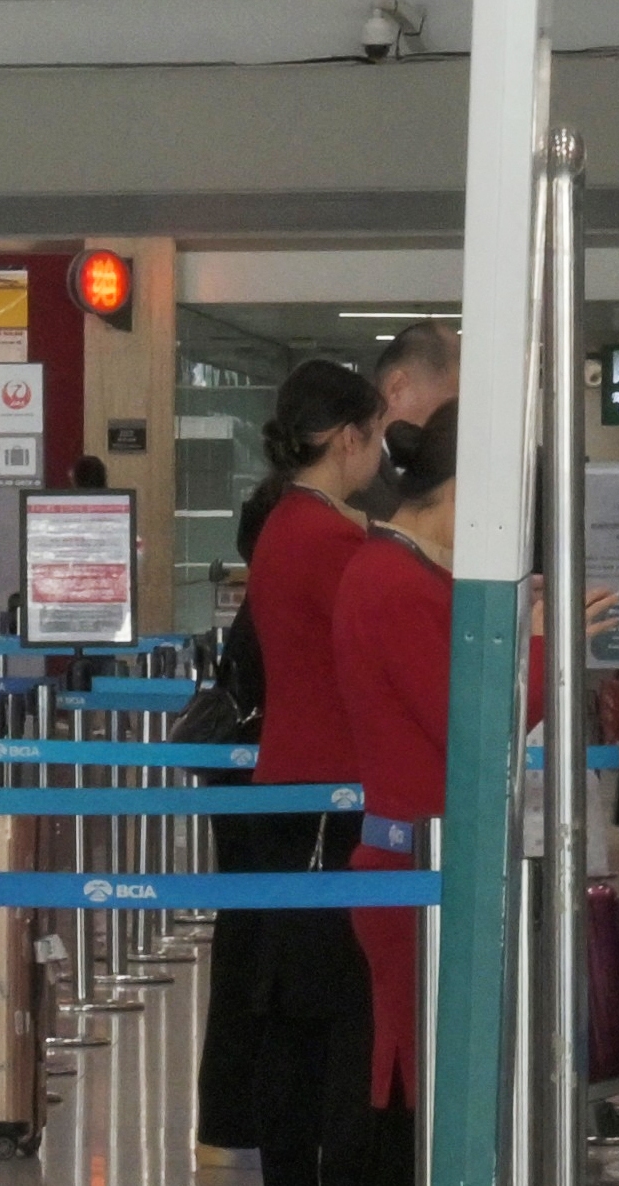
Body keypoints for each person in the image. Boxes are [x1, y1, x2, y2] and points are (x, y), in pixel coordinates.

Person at [211, 361, 387, 1186]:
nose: (381, 456)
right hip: (328, 789)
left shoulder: (285, 521)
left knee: (287, 987)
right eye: (378, 437)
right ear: (350, 436)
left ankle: (288, 1156)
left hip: (290, 777)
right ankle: (315, 1157)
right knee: (323, 998)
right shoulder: (331, 539)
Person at [335, 400, 464, 1179]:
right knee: (409, 1070)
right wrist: (551, 658)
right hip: (410, 861)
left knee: (405, 1060)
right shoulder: (396, 581)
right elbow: (464, 724)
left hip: (409, 857)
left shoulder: (393, 569)